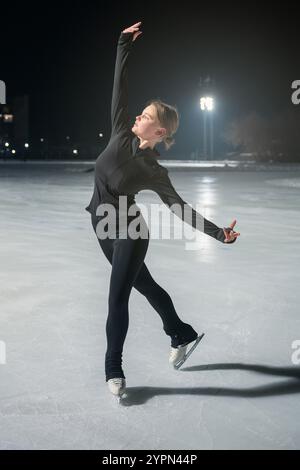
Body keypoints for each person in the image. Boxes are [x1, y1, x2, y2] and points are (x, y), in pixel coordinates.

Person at [85, 21, 240, 398]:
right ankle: (181, 331)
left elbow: (179, 209)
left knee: (117, 296)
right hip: (102, 226)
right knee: (147, 286)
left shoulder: (154, 170)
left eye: (147, 116)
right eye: (139, 113)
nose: (138, 116)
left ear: (159, 132)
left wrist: (219, 233)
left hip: (131, 233)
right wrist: (124, 43)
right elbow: (118, 87)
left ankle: (113, 368)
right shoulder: (121, 131)